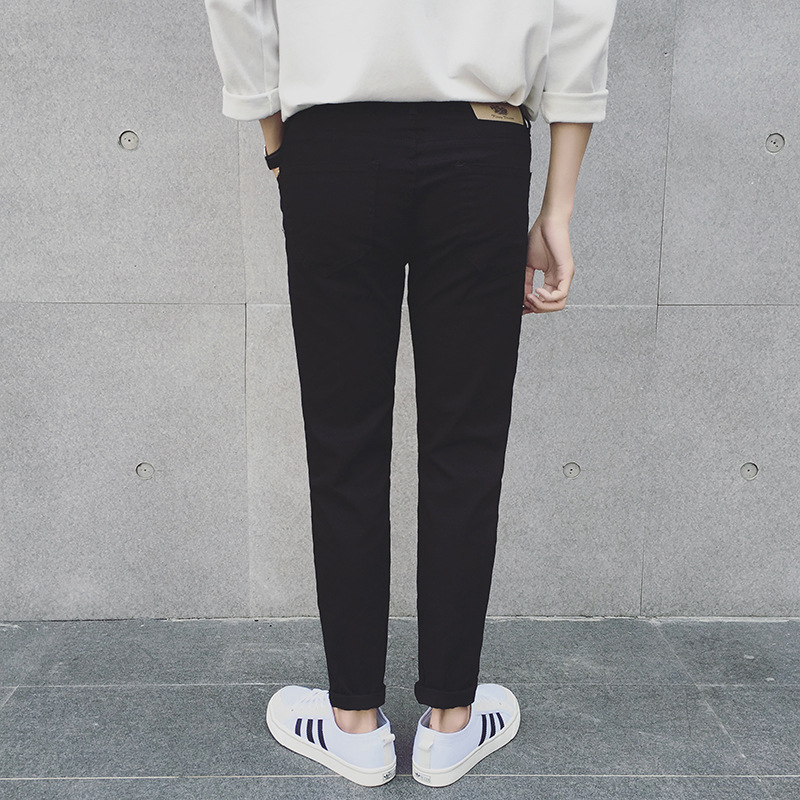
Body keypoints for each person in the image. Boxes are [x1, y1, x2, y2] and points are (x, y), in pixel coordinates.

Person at [204, 0, 618, 787]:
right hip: (483, 146)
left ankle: (354, 724)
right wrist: (558, 207)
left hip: (331, 143)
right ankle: (451, 723)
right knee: (467, 443)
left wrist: (277, 140)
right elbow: (580, 12)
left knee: (344, 439)